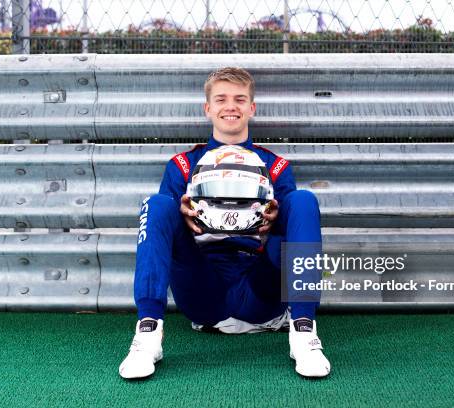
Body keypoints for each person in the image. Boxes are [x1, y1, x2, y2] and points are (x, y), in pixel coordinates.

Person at [119, 67, 330, 379]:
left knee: (303, 201)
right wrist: (182, 212)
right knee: (158, 204)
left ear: (251, 108)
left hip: (260, 286)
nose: (230, 106)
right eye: (221, 99)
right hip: (205, 289)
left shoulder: (276, 165)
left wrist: (275, 217)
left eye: (239, 99)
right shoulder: (182, 165)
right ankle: (148, 334)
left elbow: (294, 227)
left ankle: (303, 333)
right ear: (208, 108)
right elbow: (163, 231)